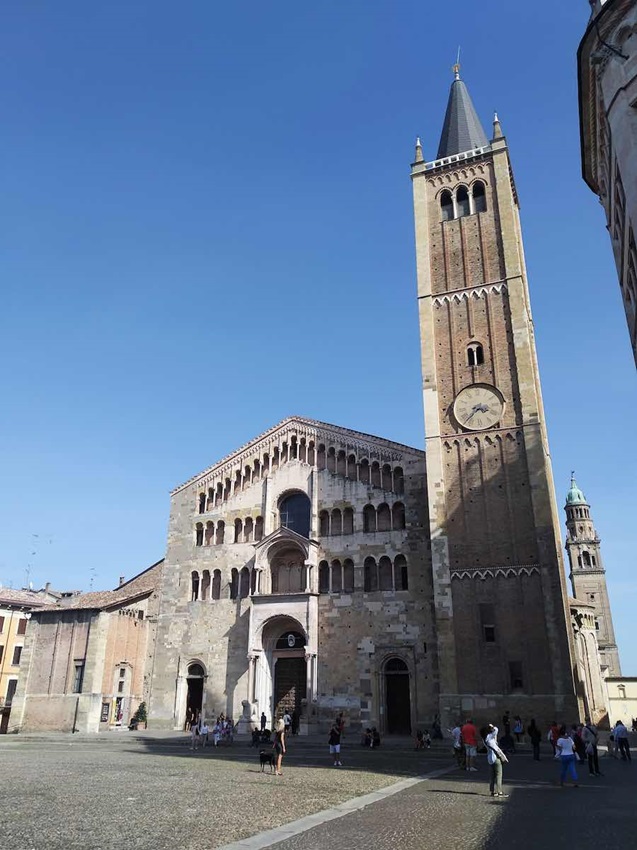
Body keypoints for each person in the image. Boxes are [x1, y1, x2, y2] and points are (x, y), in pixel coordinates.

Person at [484, 724, 509, 797]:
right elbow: (496, 730)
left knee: (492, 776)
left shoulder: (485, 739)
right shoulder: (490, 737)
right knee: (499, 775)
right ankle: (500, 792)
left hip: (490, 759)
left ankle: (493, 791)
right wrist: (492, 726)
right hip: (495, 757)